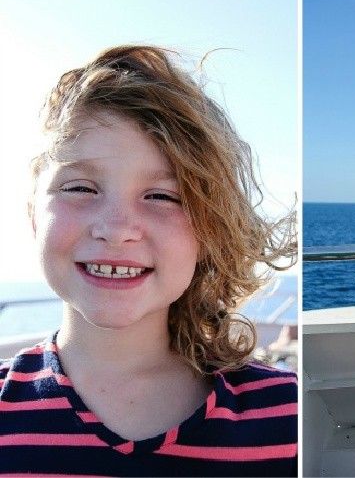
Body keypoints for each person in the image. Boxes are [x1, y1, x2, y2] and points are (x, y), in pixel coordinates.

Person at [0, 45, 298, 477]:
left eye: (162, 196)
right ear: (33, 212)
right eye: (81, 188)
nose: (117, 228)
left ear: (210, 228)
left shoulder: (284, 417)